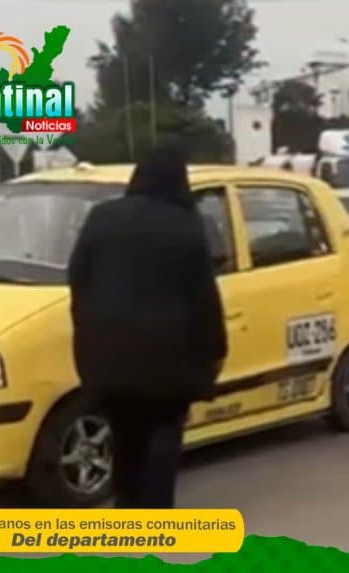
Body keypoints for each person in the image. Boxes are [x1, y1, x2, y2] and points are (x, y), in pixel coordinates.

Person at [68, 139, 228, 509]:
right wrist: (215, 351)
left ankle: (127, 508)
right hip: (169, 359)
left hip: (107, 354)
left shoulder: (102, 217)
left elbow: (78, 278)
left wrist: (89, 330)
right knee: (163, 436)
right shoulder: (187, 225)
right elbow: (204, 297)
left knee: (124, 435)